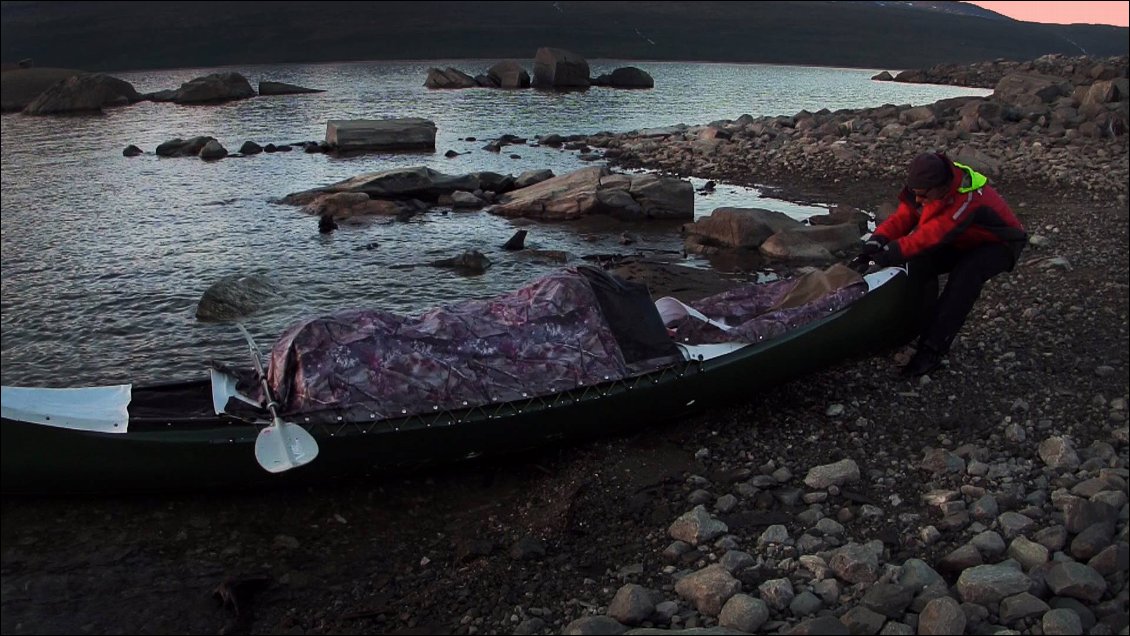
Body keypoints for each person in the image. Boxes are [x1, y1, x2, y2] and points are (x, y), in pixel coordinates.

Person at [849, 152, 1028, 377]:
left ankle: (932, 350)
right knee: (917, 264)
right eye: (916, 193)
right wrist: (876, 241)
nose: (918, 200)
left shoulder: (966, 199)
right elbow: (903, 217)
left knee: (965, 277)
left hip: (999, 244)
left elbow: (931, 235)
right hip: (963, 239)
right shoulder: (926, 188)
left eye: (923, 195)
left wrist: (887, 254)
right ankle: (906, 328)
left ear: (941, 187)